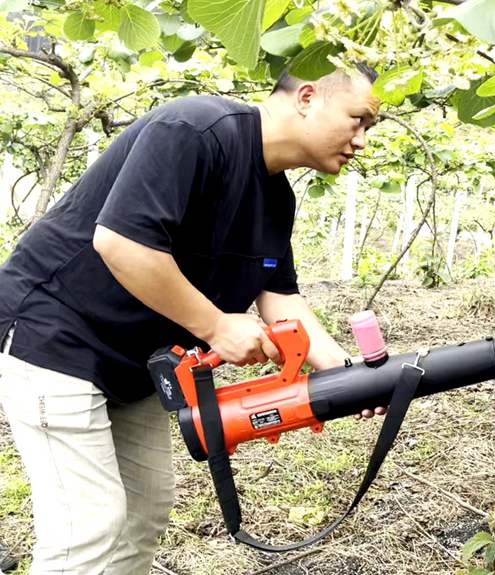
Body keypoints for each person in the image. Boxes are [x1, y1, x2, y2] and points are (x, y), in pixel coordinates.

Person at [0, 62, 384, 574]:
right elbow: (121, 244)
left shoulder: (276, 199)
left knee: (144, 514)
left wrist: (346, 372)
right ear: (308, 97)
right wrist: (218, 326)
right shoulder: (195, 130)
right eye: (358, 119)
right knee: (87, 527)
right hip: (55, 338)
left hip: (134, 366)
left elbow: (279, 298)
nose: (362, 140)